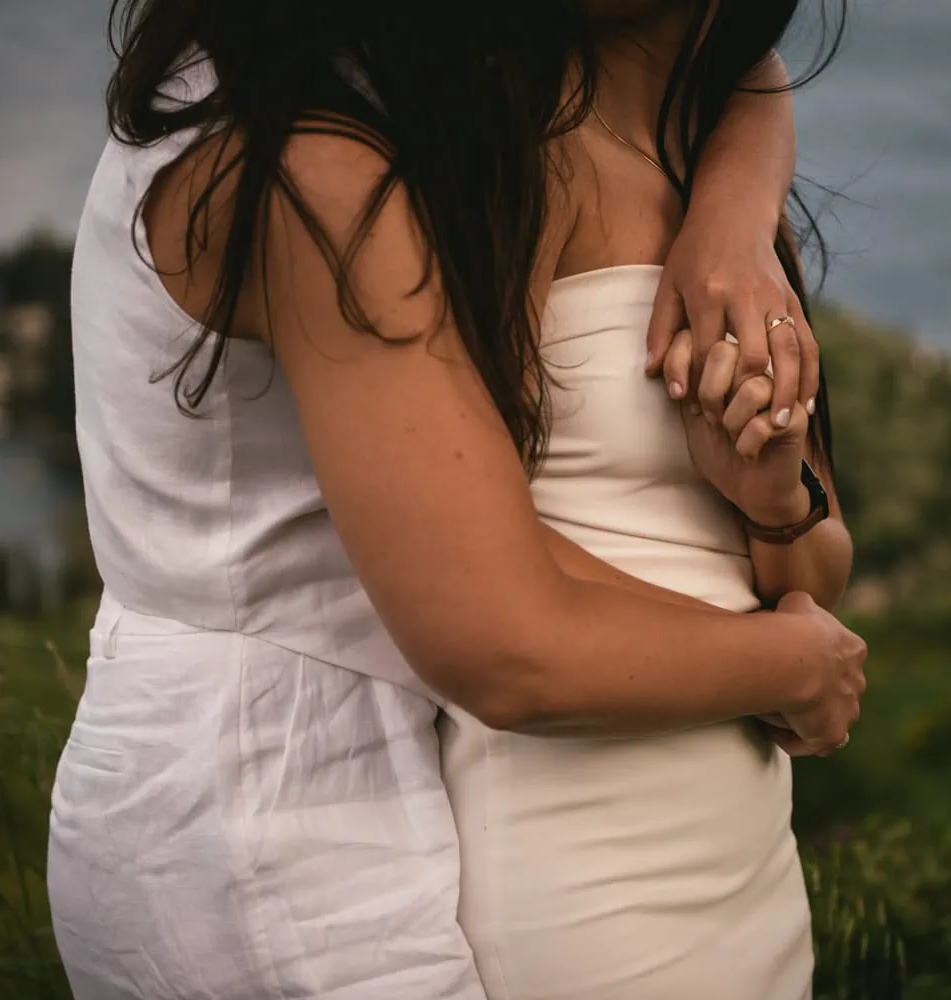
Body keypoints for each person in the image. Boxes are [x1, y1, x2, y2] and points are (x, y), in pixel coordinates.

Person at [48, 2, 864, 998]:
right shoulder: (324, 168)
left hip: (216, 761)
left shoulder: (328, 78)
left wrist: (731, 221)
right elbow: (502, 636)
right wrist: (789, 661)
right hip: (286, 813)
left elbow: (725, 63)